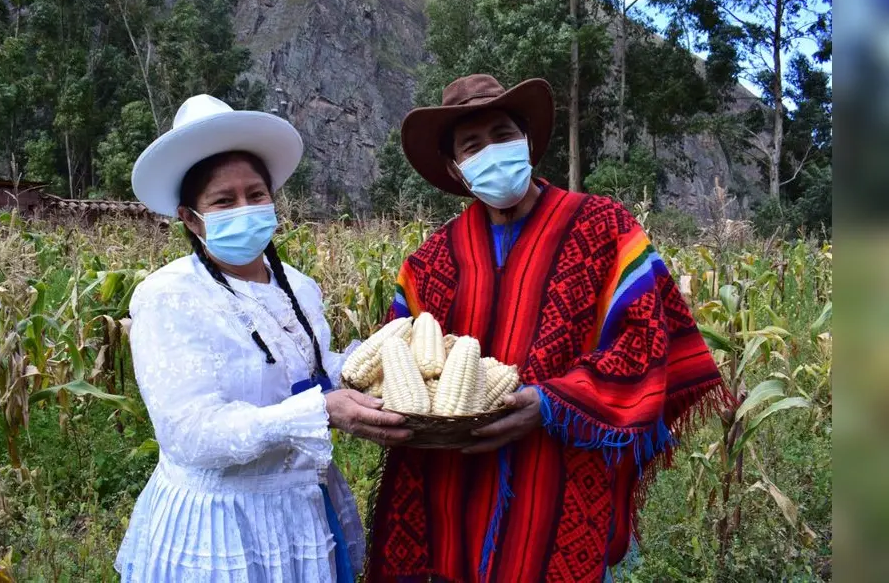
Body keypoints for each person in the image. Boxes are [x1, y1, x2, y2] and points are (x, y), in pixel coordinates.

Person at [365, 74, 728, 582]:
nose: (491, 150)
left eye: (503, 135)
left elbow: (649, 340)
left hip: (560, 478)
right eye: (472, 145)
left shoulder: (605, 227)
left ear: (528, 143)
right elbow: (393, 361)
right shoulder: (427, 263)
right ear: (455, 168)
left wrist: (551, 403)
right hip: (452, 483)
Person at [115, 94, 411, 582]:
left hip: (303, 506)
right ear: (191, 219)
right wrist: (323, 410)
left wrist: (373, 367)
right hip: (222, 522)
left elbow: (304, 370)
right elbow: (190, 433)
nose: (245, 208)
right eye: (224, 201)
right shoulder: (169, 296)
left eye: (256, 194)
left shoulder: (298, 286)